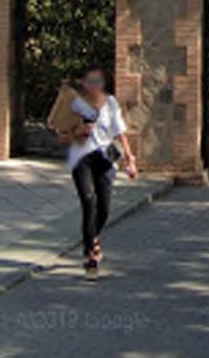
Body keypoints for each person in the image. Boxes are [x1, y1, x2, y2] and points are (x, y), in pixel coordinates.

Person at [65, 66, 137, 275]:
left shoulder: (111, 104)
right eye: (90, 81)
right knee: (89, 200)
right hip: (81, 158)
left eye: (98, 82)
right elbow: (62, 131)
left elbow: (120, 133)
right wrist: (80, 130)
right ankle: (90, 255)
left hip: (104, 159)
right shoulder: (75, 104)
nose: (94, 86)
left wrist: (129, 159)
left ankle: (93, 237)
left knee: (103, 209)